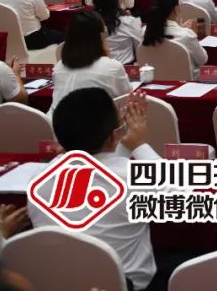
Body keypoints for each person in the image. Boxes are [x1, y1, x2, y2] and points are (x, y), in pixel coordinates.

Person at [29, 89, 158, 289]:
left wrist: (121, 137)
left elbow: (107, 166)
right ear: (112, 136)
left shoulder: (40, 179)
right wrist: (139, 144)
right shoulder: (134, 180)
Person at [47, 10, 130, 116]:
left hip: (52, 123)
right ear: (101, 36)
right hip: (90, 125)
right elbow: (127, 99)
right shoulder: (112, 67)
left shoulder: (58, 67)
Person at [142, 0, 206, 74]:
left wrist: (181, 29)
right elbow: (202, 60)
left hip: (153, 78)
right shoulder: (187, 35)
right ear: (176, 9)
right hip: (184, 81)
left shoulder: (143, 32)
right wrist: (193, 35)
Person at [91, 0, 143, 65]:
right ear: (117, 1)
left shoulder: (88, 21)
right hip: (124, 66)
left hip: (95, 67)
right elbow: (140, 48)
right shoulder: (129, 21)